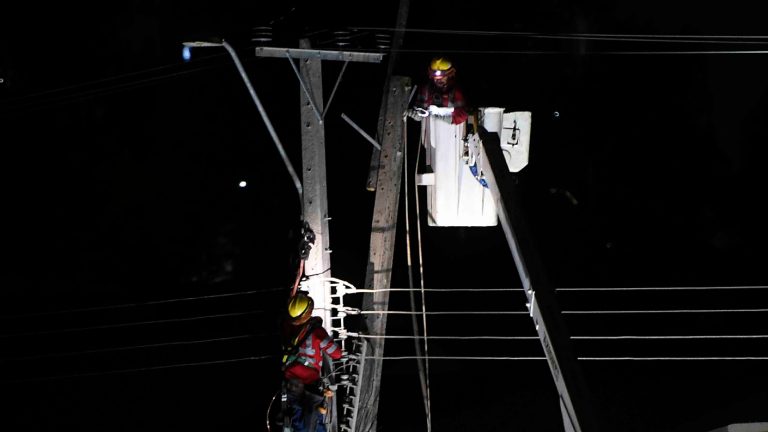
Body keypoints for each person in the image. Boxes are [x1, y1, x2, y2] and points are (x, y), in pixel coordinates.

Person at [281, 292, 342, 432]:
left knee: (295, 419)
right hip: (310, 386)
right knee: (313, 422)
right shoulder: (316, 332)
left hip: (290, 383)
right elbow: (337, 353)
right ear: (308, 311)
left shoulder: (285, 327)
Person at [408, 56, 469, 125]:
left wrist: (438, 114)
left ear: (450, 75)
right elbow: (421, 114)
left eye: (443, 78)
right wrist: (414, 114)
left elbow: (462, 116)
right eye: (435, 78)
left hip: (451, 132)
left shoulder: (456, 91)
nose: (439, 80)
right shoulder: (426, 90)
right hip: (430, 133)